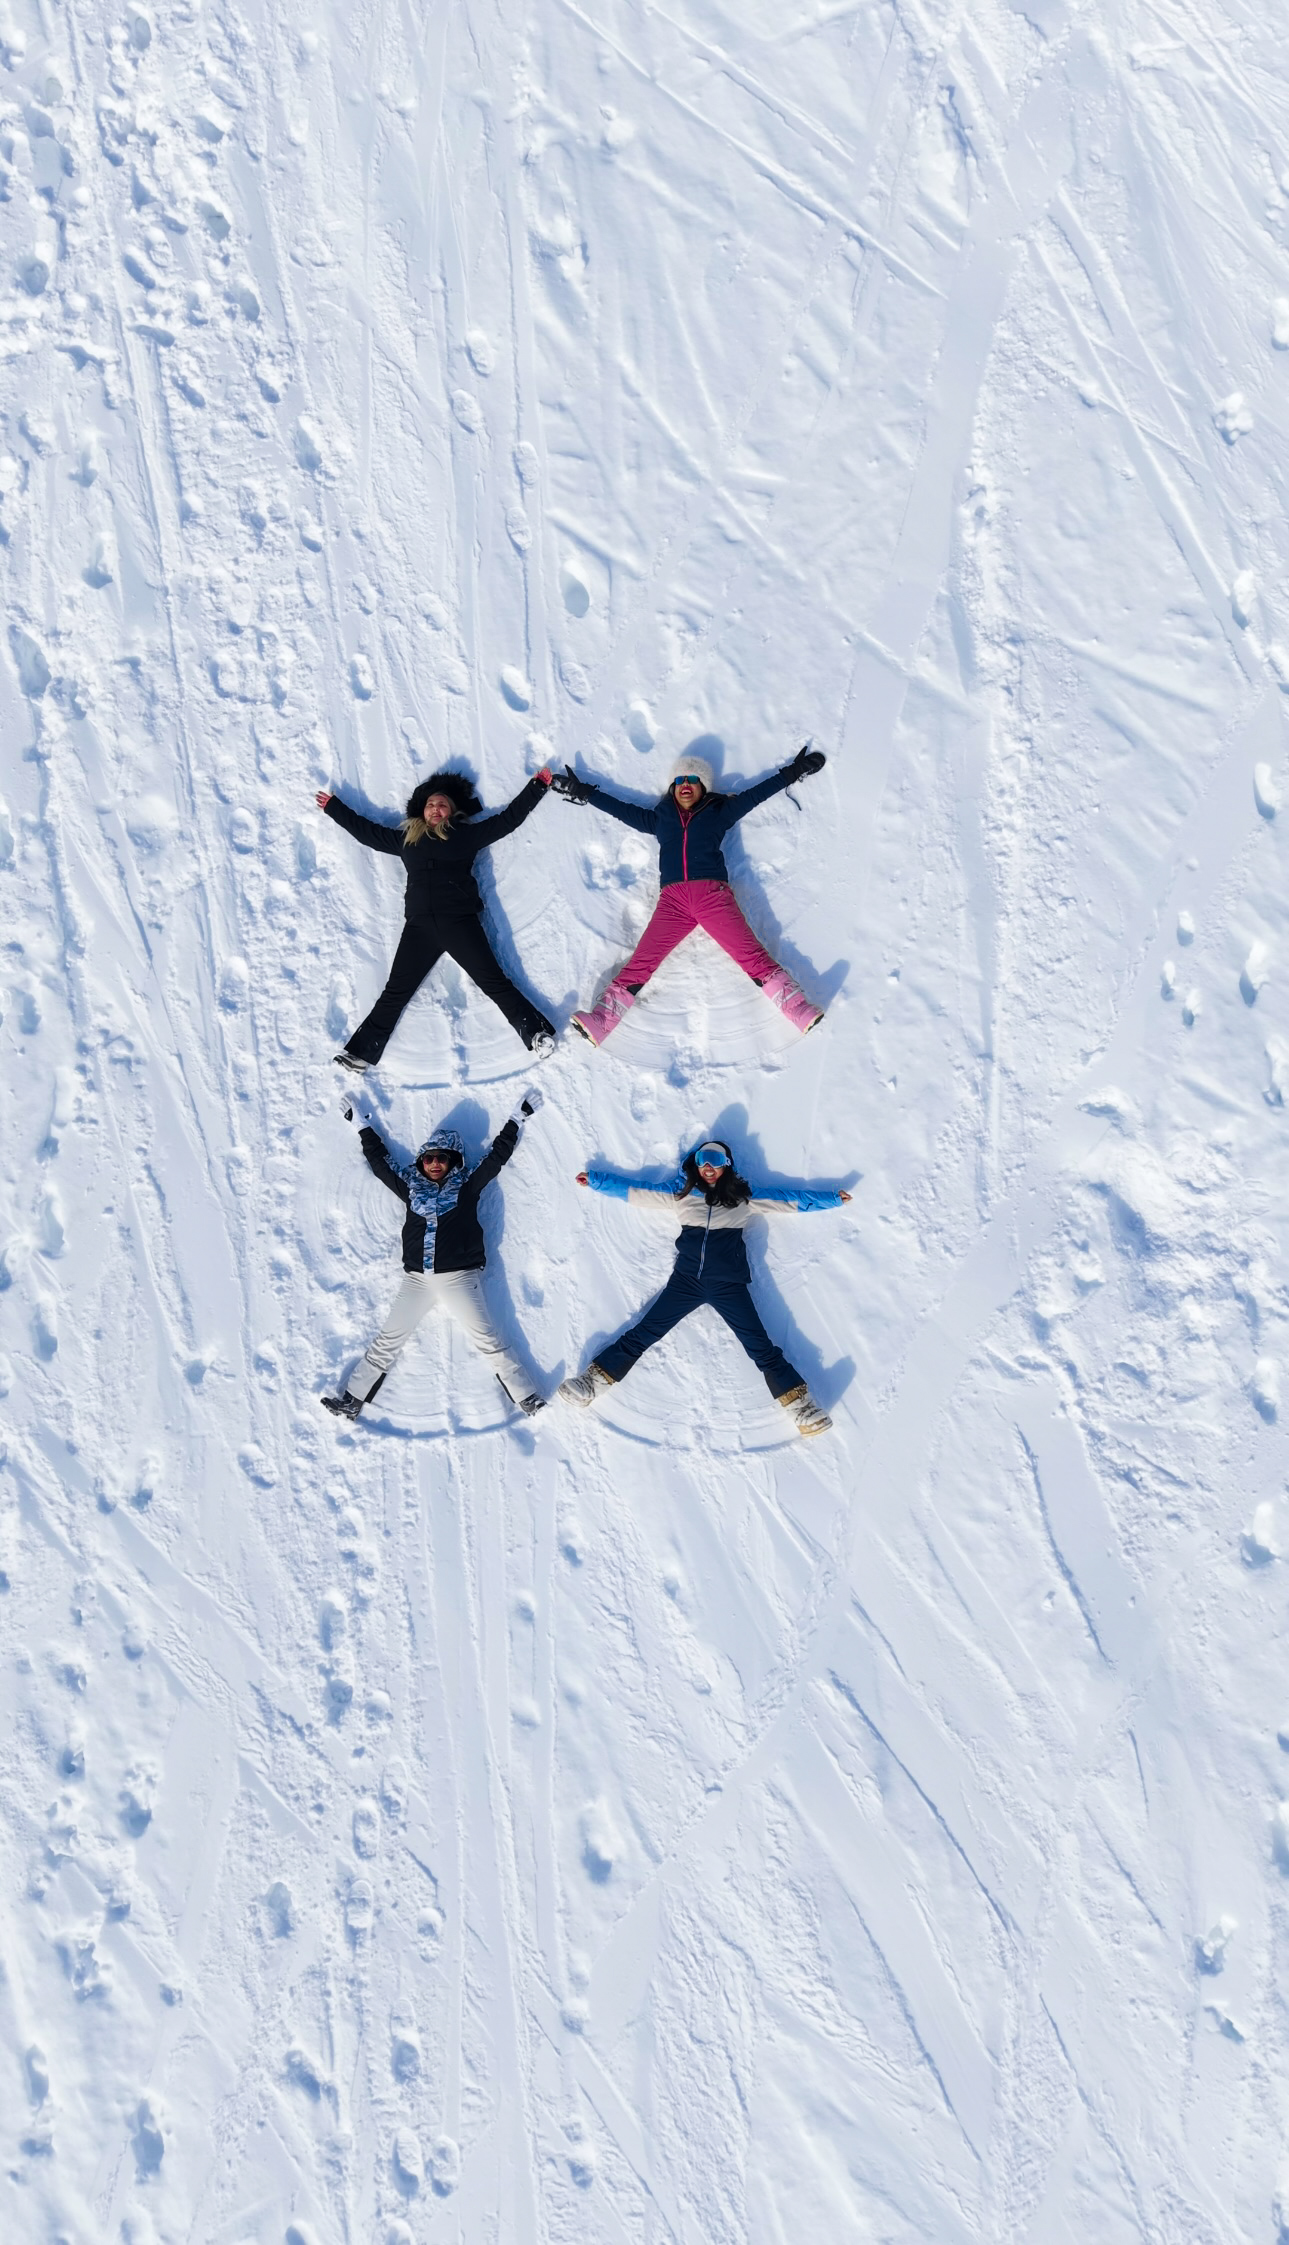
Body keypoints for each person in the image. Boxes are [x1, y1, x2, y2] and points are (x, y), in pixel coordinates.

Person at [558, 1138, 850, 1435]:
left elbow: (791, 1199)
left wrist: (833, 1199)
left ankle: (802, 1409)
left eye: (715, 1160)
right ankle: (591, 1385)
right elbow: (635, 1190)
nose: (708, 1167)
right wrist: (596, 1181)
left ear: (727, 1165)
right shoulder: (681, 1195)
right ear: (695, 1164)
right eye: (702, 1160)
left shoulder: (743, 1198)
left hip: (729, 1287)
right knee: (643, 1335)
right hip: (686, 1283)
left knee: (760, 1348)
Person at [550, 745, 828, 1046]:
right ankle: (602, 1022)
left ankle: (798, 1010)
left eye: (693, 779)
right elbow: (621, 809)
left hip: (712, 896)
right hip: (673, 904)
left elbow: (755, 794)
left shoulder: (719, 813)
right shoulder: (660, 818)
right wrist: (584, 793)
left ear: (703, 787)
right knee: (642, 963)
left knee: (751, 956)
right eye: (680, 779)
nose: (685, 784)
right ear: (672, 787)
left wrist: (793, 771)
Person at [322, 1088, 546, 1421]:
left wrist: (516, 1118)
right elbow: (381, 1165)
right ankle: (352, 1401)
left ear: (453, 1161)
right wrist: (360, 1126)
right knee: (388, 1338)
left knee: (486, 1338)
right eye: (429, 1158)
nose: (435, 1163)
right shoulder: (410, 1186)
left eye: (442, 1158)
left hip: (458, 1277)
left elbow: (496, 1157)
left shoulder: (467, 1186)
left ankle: (526, 1396)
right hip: (417, 1280)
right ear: (421, 1162)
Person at [317, 766, 557, 1071]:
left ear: (452, 811)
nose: (436, 808)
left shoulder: (466, 836)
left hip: (459, 922)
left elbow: (507, 820)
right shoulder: (407, 840)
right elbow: (367, 832)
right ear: (423, 811)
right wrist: (334, 808)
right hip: (419, 928)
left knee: (493, 981)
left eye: (442, 804)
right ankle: (361, 1054)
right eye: (431, 804)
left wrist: (536, 787)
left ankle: (536, 1034)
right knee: (395, 992)